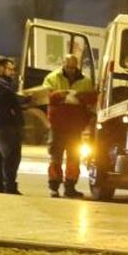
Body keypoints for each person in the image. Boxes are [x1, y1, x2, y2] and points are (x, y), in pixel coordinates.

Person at [43, 54, 97, 198]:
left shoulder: (85, 81)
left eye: (73, 67)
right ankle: (54, 187)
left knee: (74, 158)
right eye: (68, 66)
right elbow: (45, 95)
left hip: (75, 126)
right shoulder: (52, 78)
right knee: (56, 157)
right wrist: (59, 95)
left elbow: (93, 98)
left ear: (77, 65)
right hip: (57, 125)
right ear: (63, 64)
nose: (71, 70)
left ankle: (70, 187)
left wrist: (82, 97)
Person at [0, 56, 25, 195]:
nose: (13, 72)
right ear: (0, 68)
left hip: (1, 126)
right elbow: (13, 99)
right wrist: (27, 98)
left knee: (0, 157)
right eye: (10, 69)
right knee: (11, 157)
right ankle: (10, 187)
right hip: (6, 126)